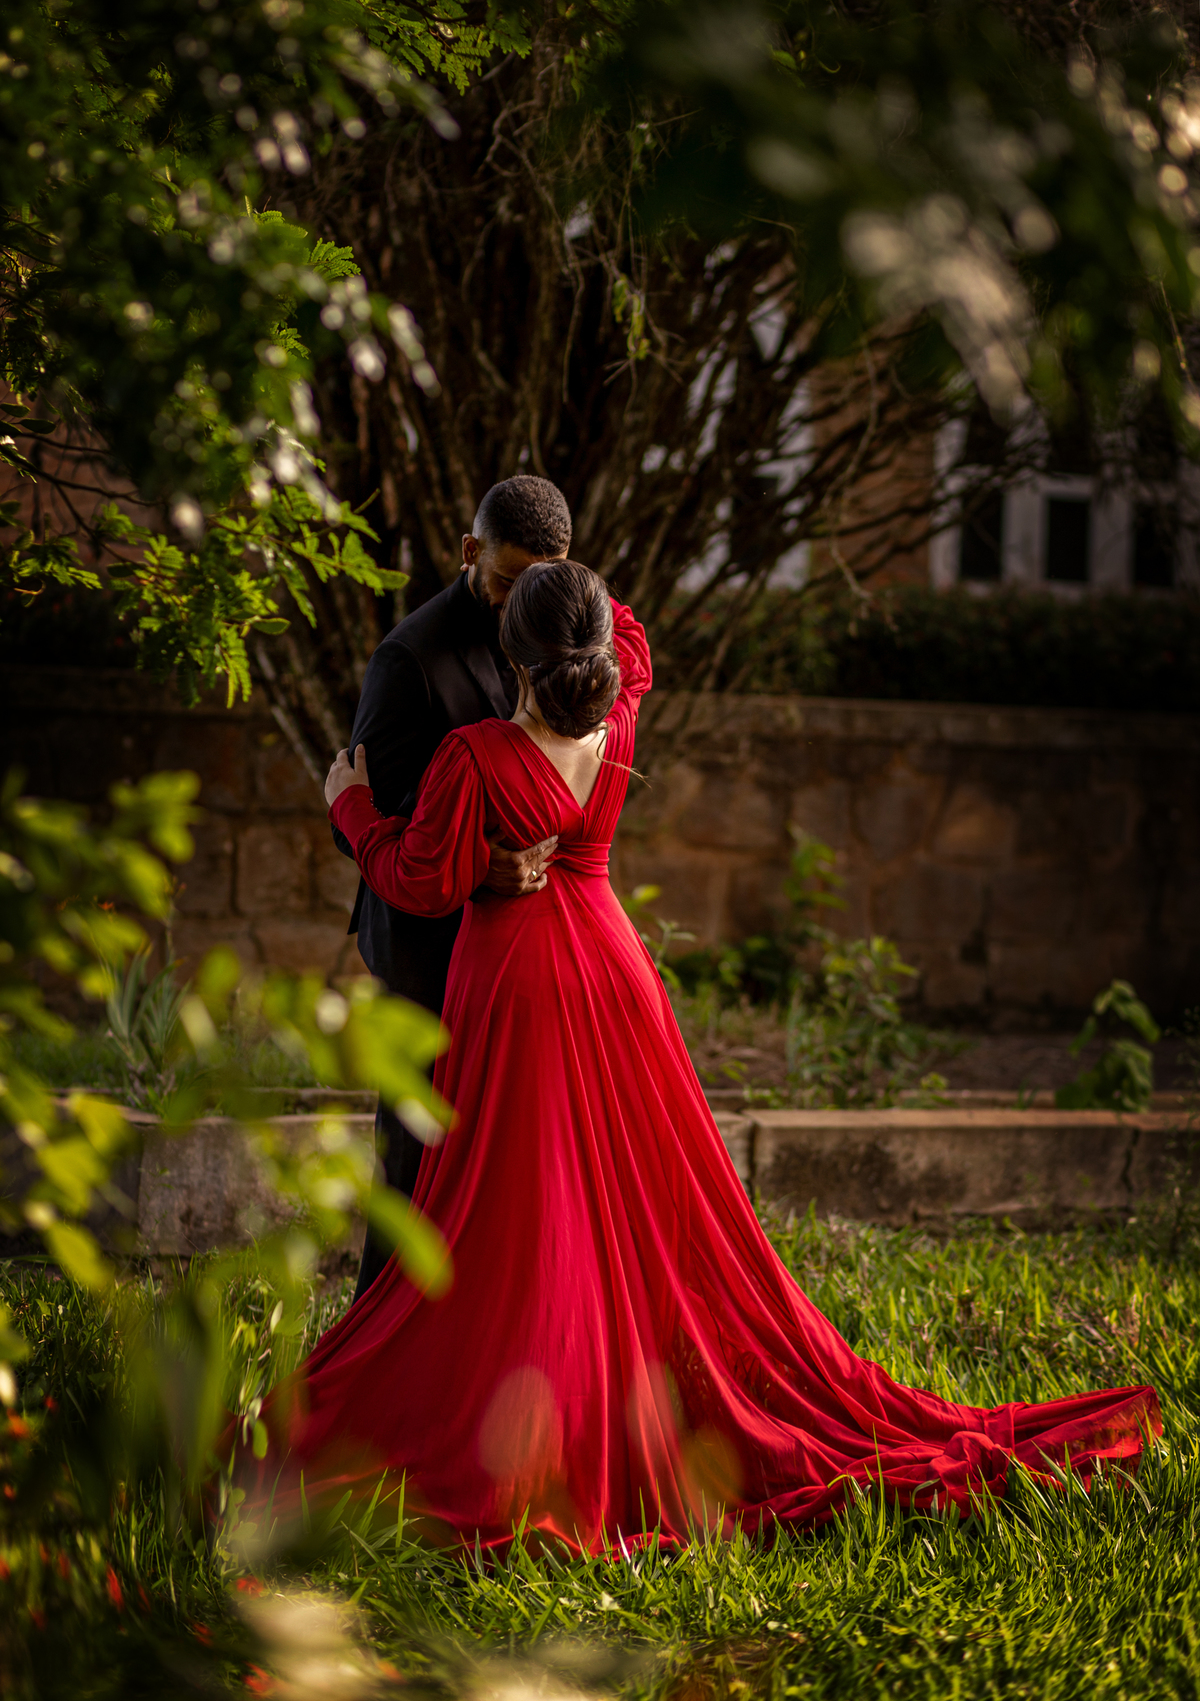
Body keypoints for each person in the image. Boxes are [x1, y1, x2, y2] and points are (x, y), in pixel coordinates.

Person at [252, 560, 1161, 1552]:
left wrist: (350, 803)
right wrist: (571, 583)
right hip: (613, 973)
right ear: (594, 645)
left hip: (517, 983)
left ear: (509, 651)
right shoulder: (620, 722)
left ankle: (533, 1382)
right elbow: (634, 645)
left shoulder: (473, 755)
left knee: (520, 1199)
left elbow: (420, 881)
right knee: (627, 1193)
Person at [335, 474, 570, 1299]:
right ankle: (376, 1327)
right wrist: (474, 857)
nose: (524, 602)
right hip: (423, 941)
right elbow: (359, 810)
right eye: (509, 580)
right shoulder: (409, 658)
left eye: (542, 581)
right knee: (414, 1147)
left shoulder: (560, 629)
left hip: (517, 943)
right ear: (471, 552)